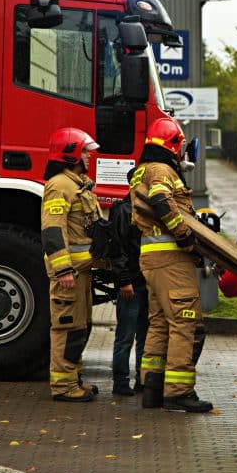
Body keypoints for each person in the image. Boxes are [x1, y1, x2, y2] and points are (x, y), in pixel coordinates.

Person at [131, 117, 212, 413]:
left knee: (160, 324)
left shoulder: (145, 170)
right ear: (173, 144)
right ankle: (179, 391)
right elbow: (161, 200)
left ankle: (152, 388)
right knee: (184, 320)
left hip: (154, 260)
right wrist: (184, 234)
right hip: (171, 261)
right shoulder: (161, 170)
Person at [41, 127, 102, 402]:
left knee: (81, 326)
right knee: (68, 328)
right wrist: (63, 269)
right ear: (71, 154)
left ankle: (73, 379)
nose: (90, 157)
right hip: (70, 274)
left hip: (81, 272)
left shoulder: (78, 184)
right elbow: (53, 231)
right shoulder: (59, 185)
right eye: (85, 152)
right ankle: (63, 387)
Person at [108, 170, 149, 396]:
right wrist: (124, 281)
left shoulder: (145, 211)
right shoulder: (123, 211)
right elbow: (118, 250)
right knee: (126, 335)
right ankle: (120, 382)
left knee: (145, 335)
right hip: (131, 285)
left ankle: (142, 380)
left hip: (145, 283)